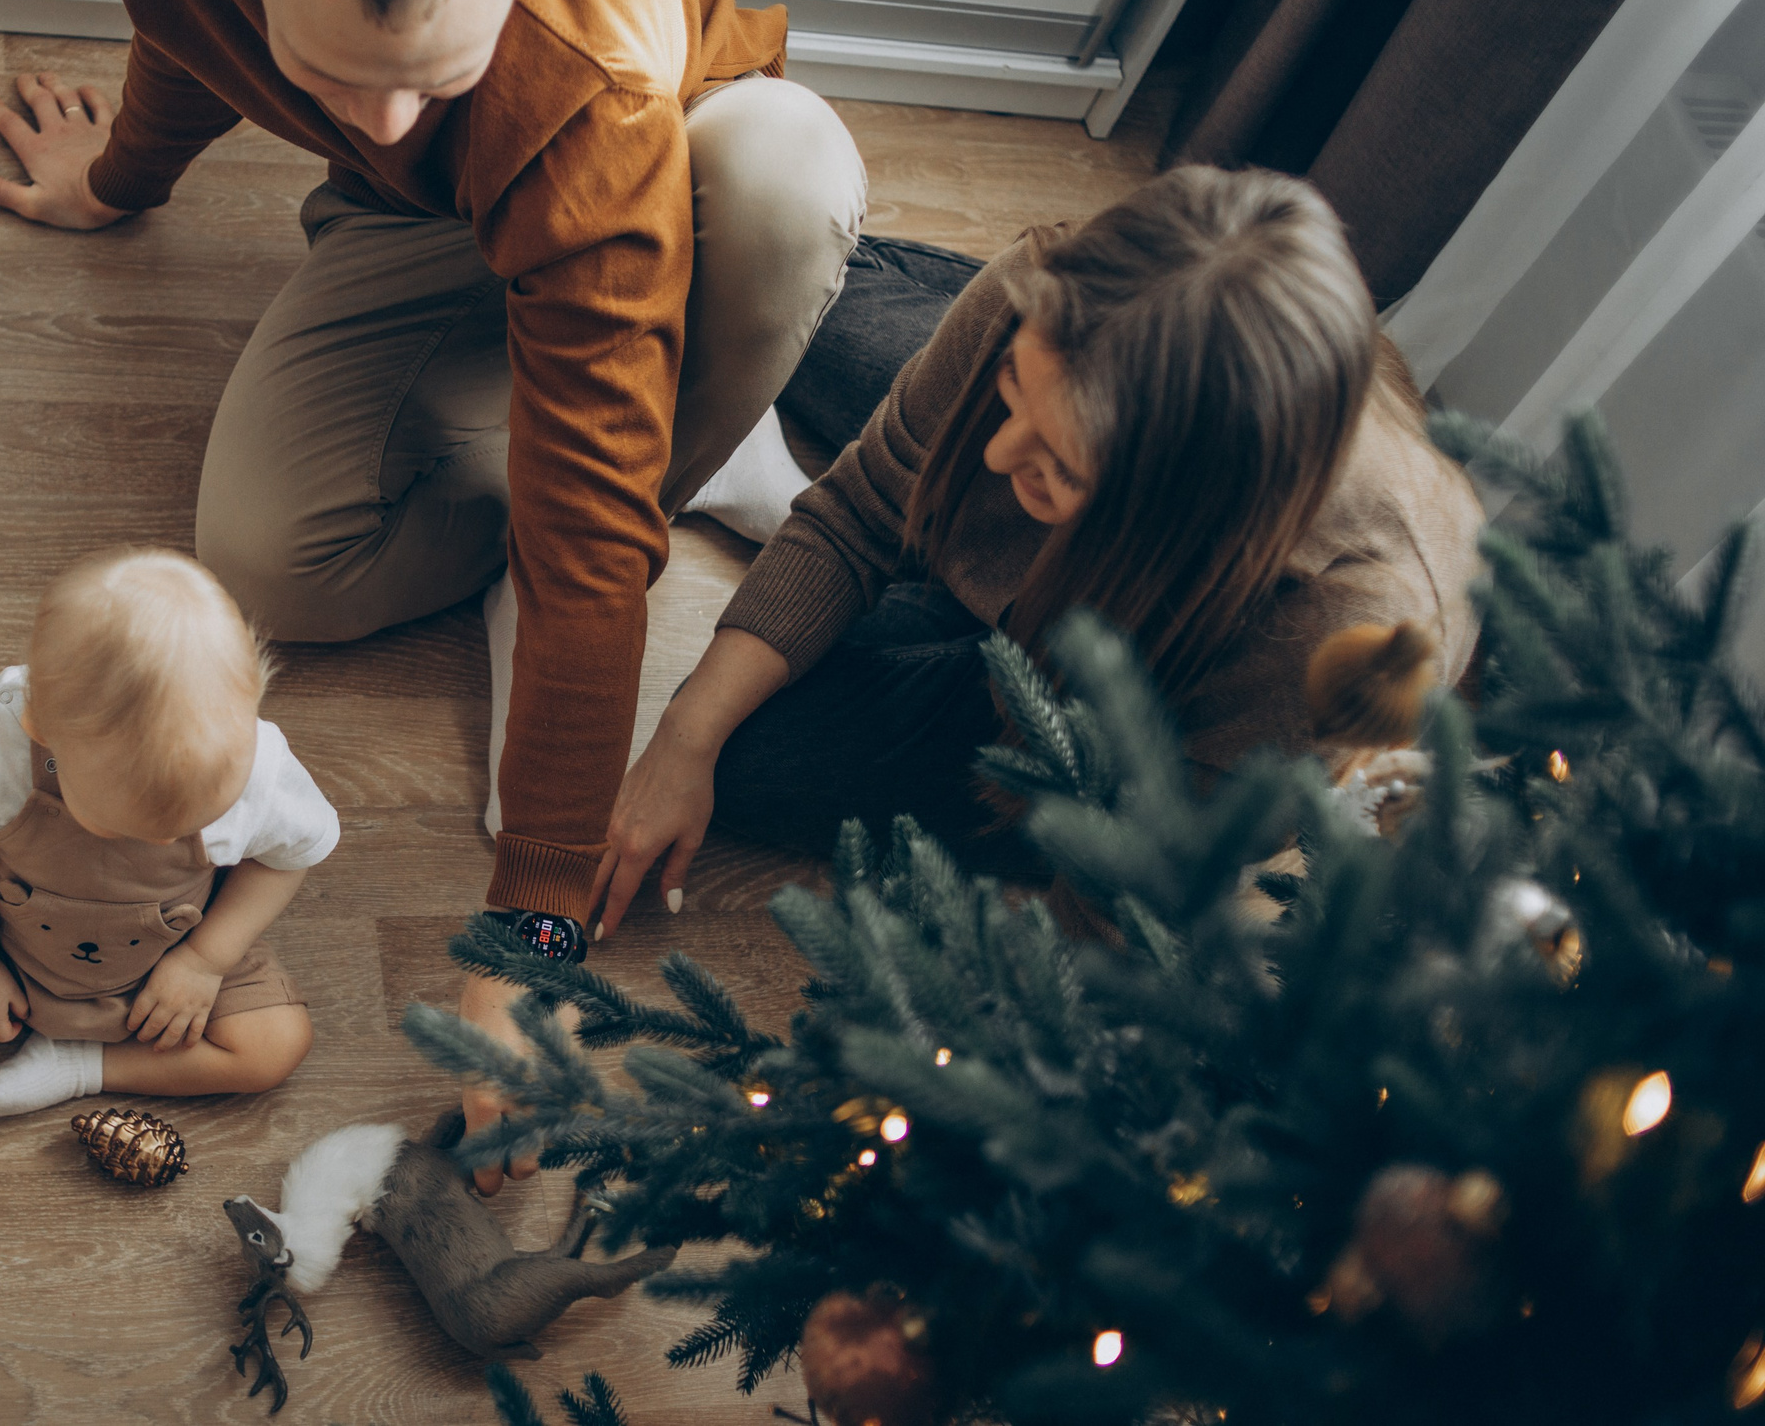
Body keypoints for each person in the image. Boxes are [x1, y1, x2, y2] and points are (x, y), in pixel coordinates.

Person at [0, 0, 864, 1186]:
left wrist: (536, 930)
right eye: (333, 70)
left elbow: (581, 563)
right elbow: (195, 27)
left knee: (781, 176)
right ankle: (622, 438)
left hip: (670, 179)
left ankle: (676, 434)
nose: (379, 118)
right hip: (425, 221)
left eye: (428, 73)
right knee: (265, 569)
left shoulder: (590, 89)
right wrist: (120, 183)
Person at [600, 166, 1487, 922]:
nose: (993, 455)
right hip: (1059, 499)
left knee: (758, 759)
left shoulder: (1348, 627)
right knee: (779, 276)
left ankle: (940, 588)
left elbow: (1129, 868)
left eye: (1059, 467)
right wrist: (681, 736)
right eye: (1013, 388)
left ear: (1178, 507)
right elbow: (867, 505)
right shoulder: (1050, 300)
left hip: (1097, 725)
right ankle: (960, 519)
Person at [0, 549, 332, 1264]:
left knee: (278, 1042)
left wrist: (206, 959)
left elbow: (291, 854)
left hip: (155, 970)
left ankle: (86, 1064)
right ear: (41, 727)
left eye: (191, 820)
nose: (167, 838)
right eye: (133, 824)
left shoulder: (257, 762)